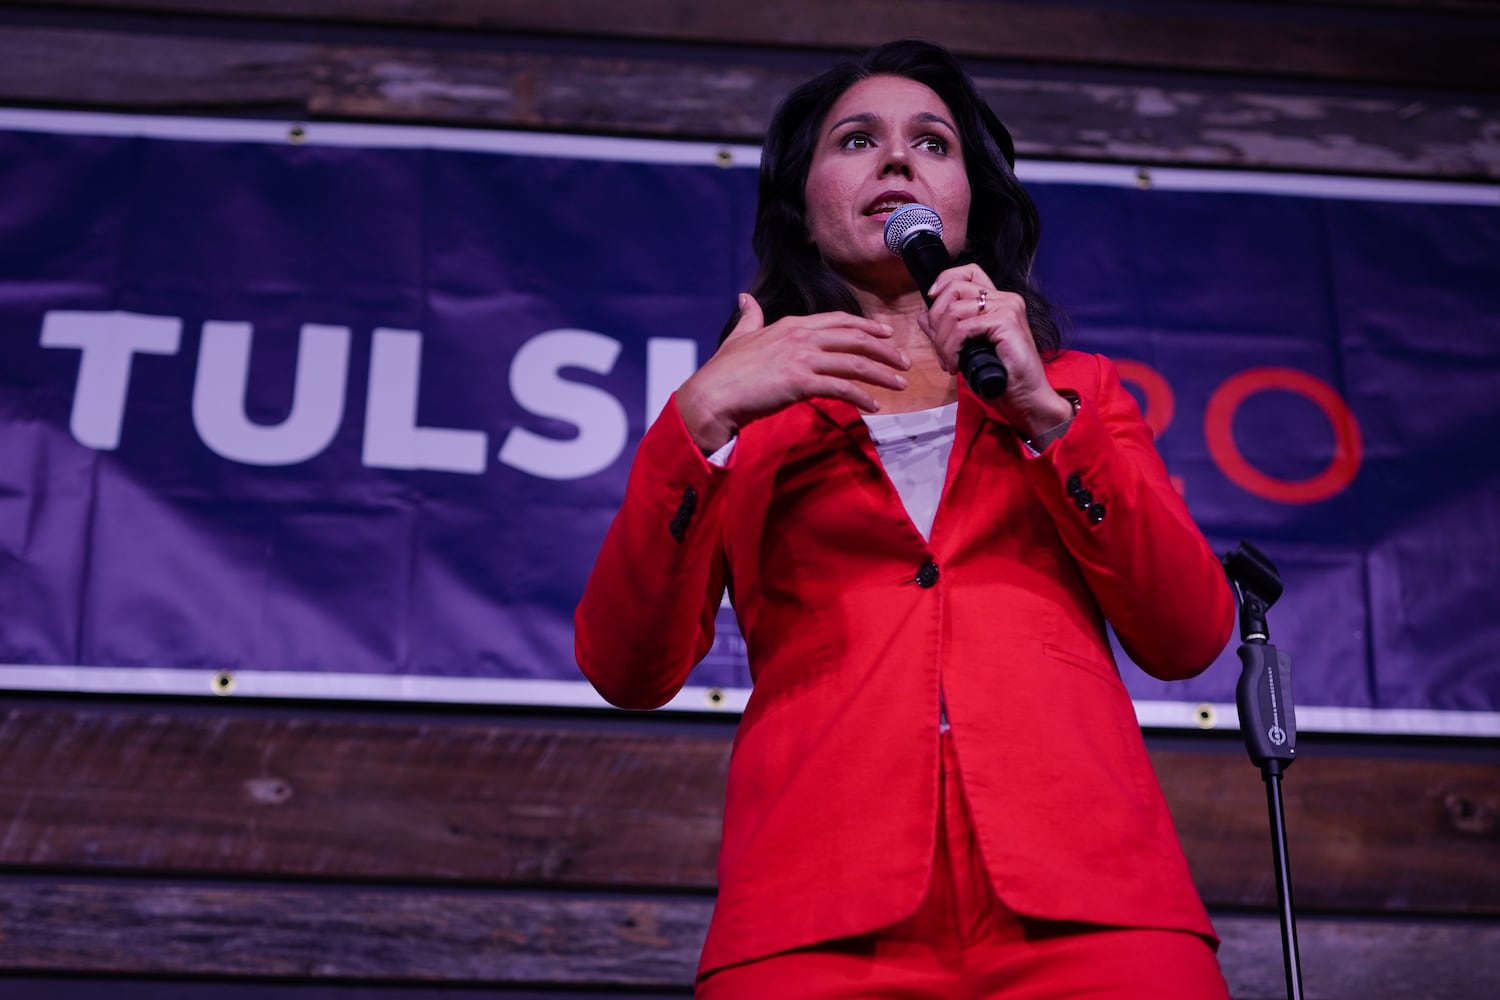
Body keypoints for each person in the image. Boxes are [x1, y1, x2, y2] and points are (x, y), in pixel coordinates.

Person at [574, 39, 1236, 999]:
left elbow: (1188, 635)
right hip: (815, 914)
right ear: (803, 204)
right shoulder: (746, 416)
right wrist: (700, 420)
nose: (897, 160)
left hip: (1093, 907)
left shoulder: (1078, 392)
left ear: (967, 201)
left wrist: (1044, 415)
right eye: (857, 140)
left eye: (932, 142)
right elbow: (627, 668)